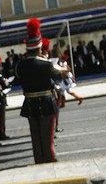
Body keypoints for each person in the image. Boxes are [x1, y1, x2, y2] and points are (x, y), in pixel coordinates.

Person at [15, 18, 68, 164]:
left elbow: (19, 79)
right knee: (47, 135)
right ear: (39, 48)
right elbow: (59, 76)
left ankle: (38, 160)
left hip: (29, 103)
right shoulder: (45, 64)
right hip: (46, 102)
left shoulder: (20, 65)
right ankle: (49, 159)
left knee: (35, 136)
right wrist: (64, 69)